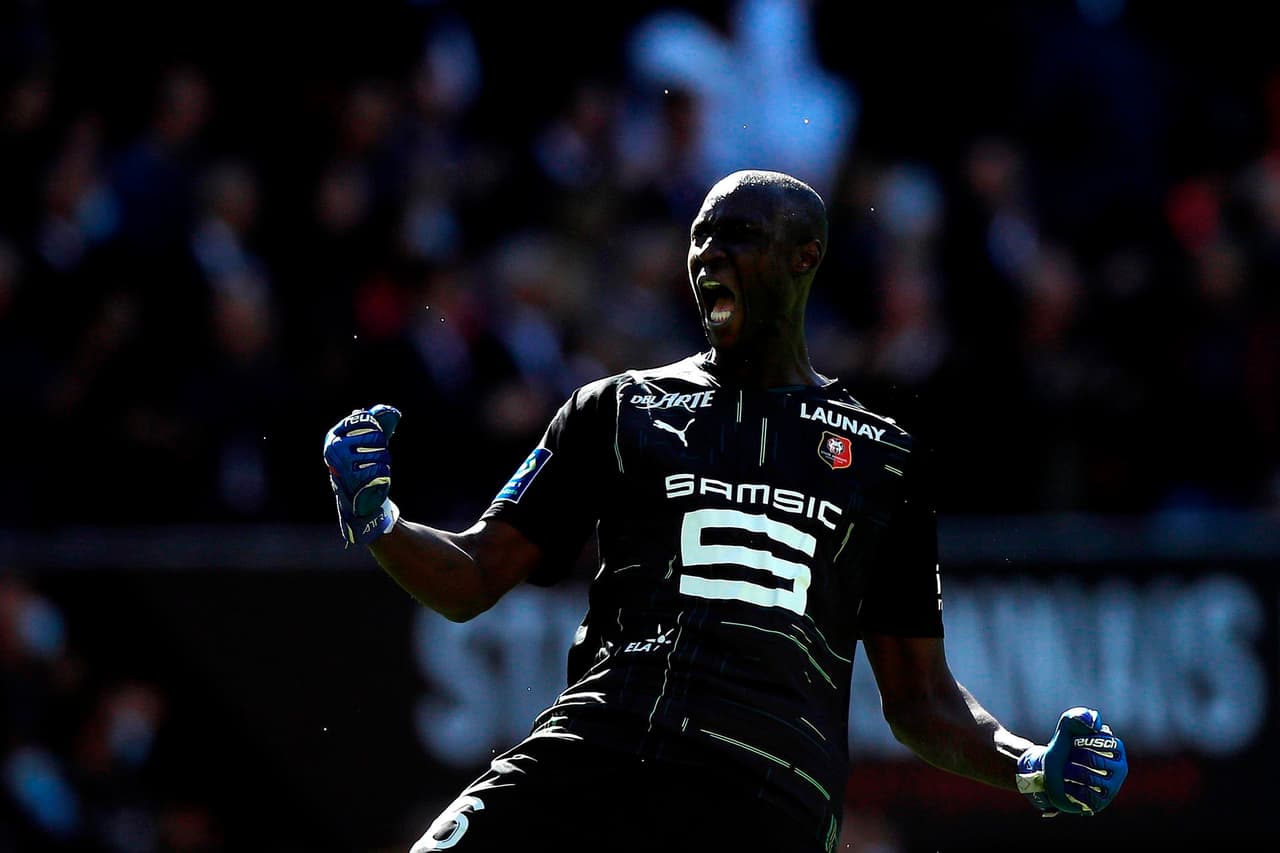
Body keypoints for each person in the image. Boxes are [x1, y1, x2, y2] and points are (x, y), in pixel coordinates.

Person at [322, 170, 1128, 852]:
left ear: (803, 257)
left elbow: (922, 698)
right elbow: (470, 576)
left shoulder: (886, 459)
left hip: (766, 785)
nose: (709, 255)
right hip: (600, 741)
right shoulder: (617, 409)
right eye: (700, 237)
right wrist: (381, 521)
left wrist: (1027, 762)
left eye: (737, 236)